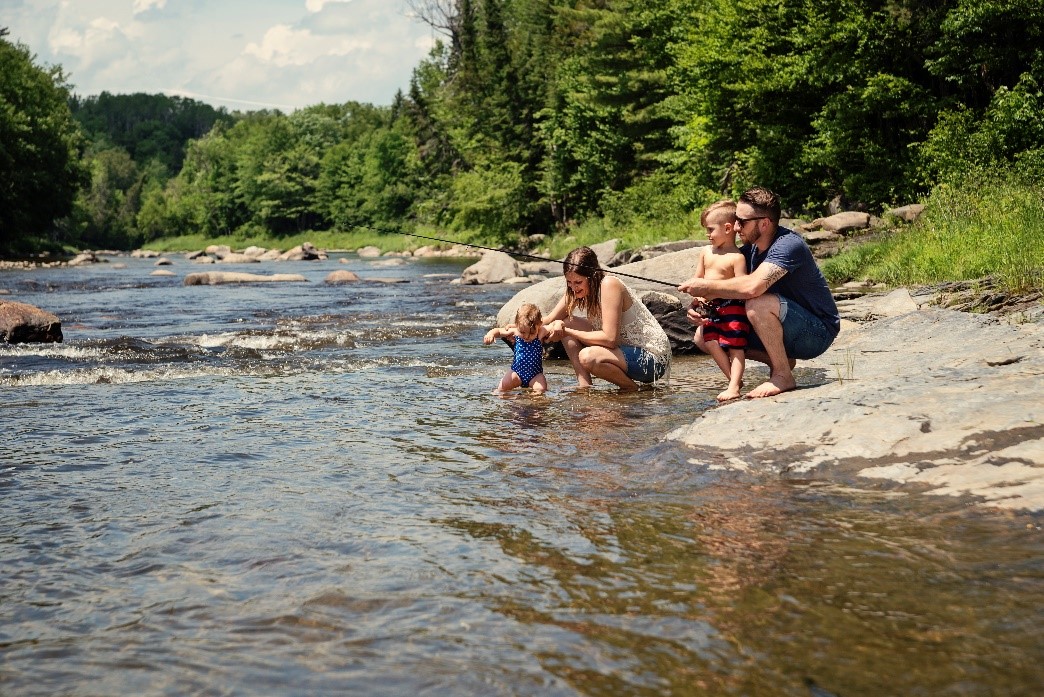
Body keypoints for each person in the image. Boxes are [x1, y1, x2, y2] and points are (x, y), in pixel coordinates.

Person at [679, 187, 840, 398]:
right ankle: (779, 361)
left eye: (742, 221)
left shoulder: (788, 245)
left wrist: (707, 287)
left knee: (757, 303)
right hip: (785, 325)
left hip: (817, 333)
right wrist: (700, 305)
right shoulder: (748, 251)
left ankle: (783, 375)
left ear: (764, 223)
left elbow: (752, 287)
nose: (736, 227)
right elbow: (727, 287)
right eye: (735, 219)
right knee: (704, 335)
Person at [542, 246, 671, 391]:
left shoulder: (609, 284)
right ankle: (585, 386)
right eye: (569, 283)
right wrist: (517, 328)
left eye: (578, 282)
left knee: (587, 356)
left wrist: (568, 332)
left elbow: (610, 339)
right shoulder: (576, 289)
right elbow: (550, 319)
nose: (573, 288)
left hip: (651, 360)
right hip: (624, 352)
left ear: (592, 276)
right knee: (567, 321)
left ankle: (631, 389)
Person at [683, 199, 751, 401]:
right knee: (710, 341)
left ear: (728, 228)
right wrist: (695, 300)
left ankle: (733, 387)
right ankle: (734, 381)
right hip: (710, 308)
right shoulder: (705, 252)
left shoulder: (736, 257)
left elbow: (742, 288)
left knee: (735, 346)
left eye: (711, 229)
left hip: (733, 309)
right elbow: (698, 280)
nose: (707, 234)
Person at [484, 302, 549, 393]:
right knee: (502, 389)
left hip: (536, 375)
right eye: (522, 332)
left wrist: (559, 324)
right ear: (517, 325)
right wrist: (490, 334)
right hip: (516, 372)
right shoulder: (515, 332)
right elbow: (498, 331)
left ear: (539, 325)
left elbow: (553, 326)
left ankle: (533, 404)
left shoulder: (541, 332)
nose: (526, 336)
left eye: (531, 333)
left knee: (541, 389)